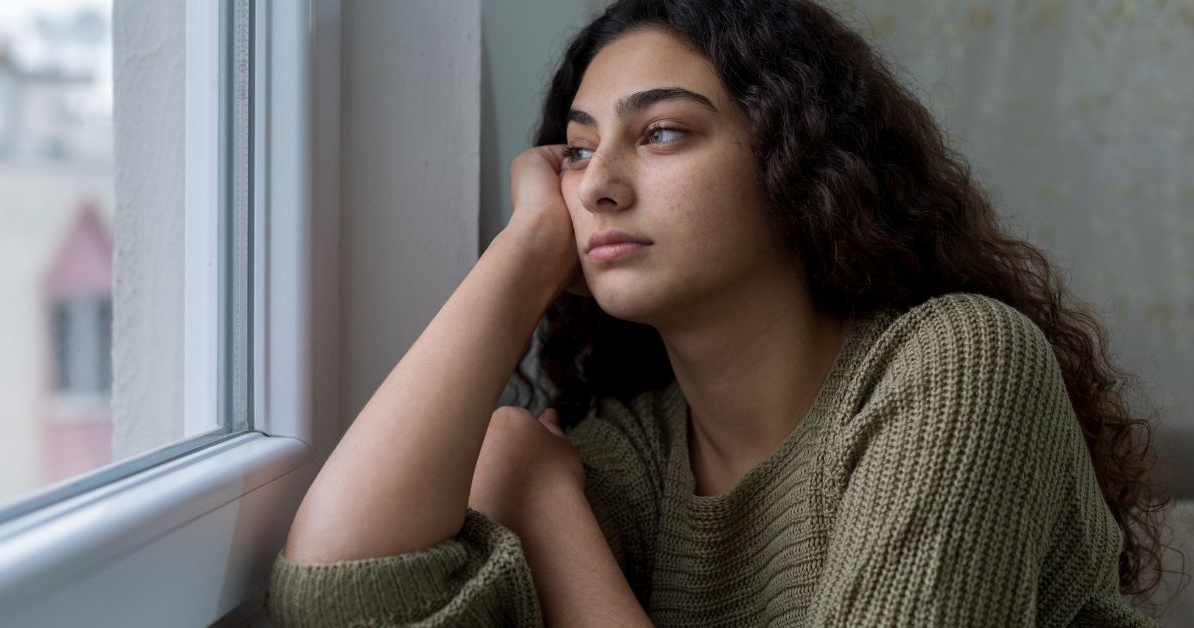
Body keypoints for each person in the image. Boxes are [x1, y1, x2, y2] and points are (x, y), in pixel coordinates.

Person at [265, 0, 1174, 625]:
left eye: (661, 132)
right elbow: (341, 596)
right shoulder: (636, 453)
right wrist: (527, 248)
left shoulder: (958, 365)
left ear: (797, 161)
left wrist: (541, 505)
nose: (601, 186)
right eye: (577, 154)